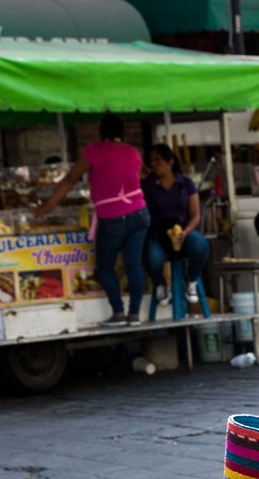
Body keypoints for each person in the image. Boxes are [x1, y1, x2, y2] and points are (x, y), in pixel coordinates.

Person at [34, 113, 149, 324]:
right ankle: (134, 314)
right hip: (140, 214)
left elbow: (70, 179)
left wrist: (48, 206)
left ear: (100, 131)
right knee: (133, 265)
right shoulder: (134, 152)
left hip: (113, 218)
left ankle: (118, 313)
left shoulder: (93, 150)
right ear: (122, 132)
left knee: (105, 267)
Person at [141, 144, 209, 307]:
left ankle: (191, 280)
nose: (155, 165)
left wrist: (186, 231)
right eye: (152, 161)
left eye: (159, 160)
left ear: (170, 161)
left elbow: (195, 214)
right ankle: (160, 284)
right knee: (152, 258)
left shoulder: (185, 183)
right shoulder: (147, 185)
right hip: (158, 234)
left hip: (183, 232)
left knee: (201, 245)